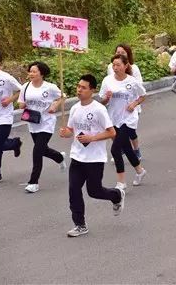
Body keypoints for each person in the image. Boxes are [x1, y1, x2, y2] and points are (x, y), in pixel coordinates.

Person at [59, 74, 125, 238]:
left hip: (94, 159)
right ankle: (80, 224)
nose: (79, 90)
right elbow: (71, 131)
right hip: (77, 157)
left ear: (92, 90)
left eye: (83, 88)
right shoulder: (74, 108)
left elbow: (112, 132)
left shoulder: (98, 109)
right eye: (78, 86)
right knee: (73, 191)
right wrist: (65, 133)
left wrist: (92, 138)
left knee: (94, 191)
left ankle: (116, 195)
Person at [99, 54, 147, 190]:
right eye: (113, 65)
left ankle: (121, 181)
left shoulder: (132, 81)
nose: (115, 68)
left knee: (115, 150)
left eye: (118, 65)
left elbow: (143, 95)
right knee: (126, 147)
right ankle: (140, 170)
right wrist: (107, 98)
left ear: (126, 66)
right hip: (113, 118)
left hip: (128, 118)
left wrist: (134, 103)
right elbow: (102, 101)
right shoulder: (107, 80)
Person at [18, 61, 66, 193]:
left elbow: (62, 96)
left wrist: (55, 105)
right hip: (33, 122)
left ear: (42, 73)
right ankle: (59, 157)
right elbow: (21, 103)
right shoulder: (25, 87)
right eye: (30, 71)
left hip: (47, 122)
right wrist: (22, 105)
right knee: (43, 150)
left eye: (34, 71)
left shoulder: (49, 87)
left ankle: (33, 182)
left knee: (37, 151)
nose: (31, 74)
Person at [0, 49, 23, 184]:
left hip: (3, 118)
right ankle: (14, 143)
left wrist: (10, 99)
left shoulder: (6, 78)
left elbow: (21, 89)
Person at [107, 44, 143, 160]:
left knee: (130, 133)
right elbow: (110, 84)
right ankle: (120, 149)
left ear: (128, 54)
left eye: (123, 52)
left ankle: (135, 150)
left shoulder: (134, 68)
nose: (119, 54)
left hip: (130, 107)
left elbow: (140, 90)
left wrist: (134, 103)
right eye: (117, 52)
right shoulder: (110, 67)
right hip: (115, 107)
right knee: (116, 131)